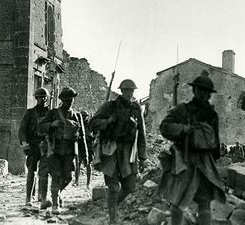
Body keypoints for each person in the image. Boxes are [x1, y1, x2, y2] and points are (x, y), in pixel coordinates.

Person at [157, 71, 225, 225]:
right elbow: (164, 127)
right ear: (194, 90)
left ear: (209, 95)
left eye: (206, 92)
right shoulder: (182, 110)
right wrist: (182, 129)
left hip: (205, 162)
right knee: (178, 201)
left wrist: (214, 165)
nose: (202, 94)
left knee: (205, 202)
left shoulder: (212, 115)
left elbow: (216, 142)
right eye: (200, 90)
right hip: (184, 159)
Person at [90, 79, 147, 225]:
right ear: (121, 91)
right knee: (113, 186)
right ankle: (112, 219)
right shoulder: (110, 106)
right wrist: (107, 122)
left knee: (129, 187)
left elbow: (142, 134)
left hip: (128, 152)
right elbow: (93, 122)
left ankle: (112, 205)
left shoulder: (136, 108)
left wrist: (143, 157)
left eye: (131, 90)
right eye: (127, 90)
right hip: (111, 150)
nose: (129, 93)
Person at [39, 86, 87, 214]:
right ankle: (55, 205)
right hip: (54, 149)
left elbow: (82, 137)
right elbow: (40, 127)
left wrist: (85, 155)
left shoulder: (77, 116)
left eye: (71, 99)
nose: (69, 102)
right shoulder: (53, 113)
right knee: (56, 176)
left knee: (69, 177)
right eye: (66, 100)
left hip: (69, 152)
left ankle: (57, 192)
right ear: (62, 100)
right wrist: (51, 125)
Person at [18, 87, 51, 208]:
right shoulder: (30, 113)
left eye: (44, 97)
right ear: (36, 98)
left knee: (44, 172)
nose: (42, 99)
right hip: (32, 146)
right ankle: (29, 197)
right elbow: (22, 130)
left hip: (45, 146)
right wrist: (24, 143)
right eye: (40, 97)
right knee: (31, 171)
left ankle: (43, 197)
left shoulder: (51, 113)